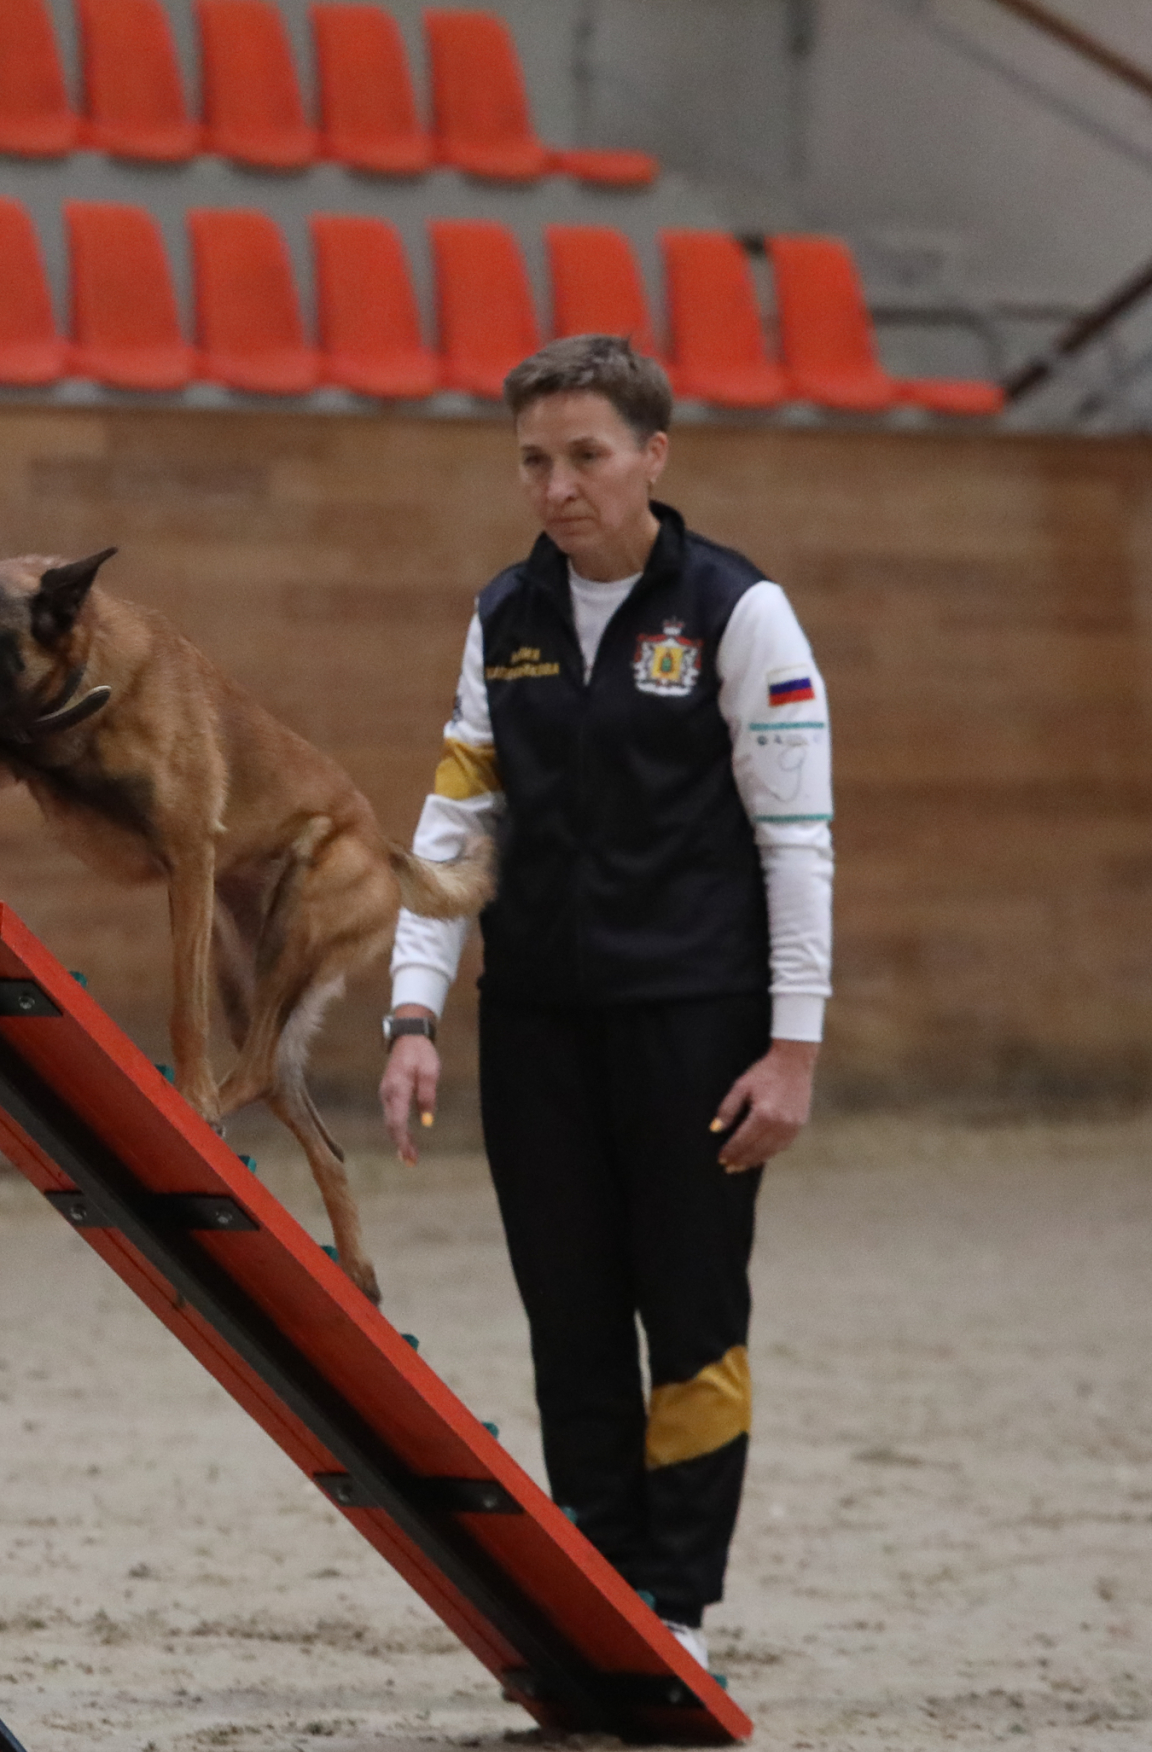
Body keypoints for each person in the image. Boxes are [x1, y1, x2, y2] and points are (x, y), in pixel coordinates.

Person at [376, 335, 832, 1673]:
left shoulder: (741, 613)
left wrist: (791, 1050)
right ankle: (597, 1581)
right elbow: (457, 818)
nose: (558, 487)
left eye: (585, 455)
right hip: (535, 1024)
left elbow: (797, 839)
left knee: (688, 1312)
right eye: (534, 459)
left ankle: (677, 1602)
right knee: (568, 1312)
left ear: (653, 456)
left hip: (695, 1021)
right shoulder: (502, 615)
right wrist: (415, 1012)